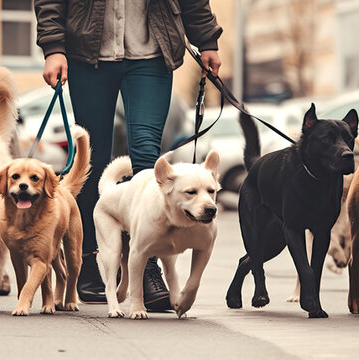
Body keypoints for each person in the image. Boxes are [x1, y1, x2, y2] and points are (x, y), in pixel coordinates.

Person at [35, 0, 222, 310]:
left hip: (151, 54)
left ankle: (146, 263)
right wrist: (54, 47)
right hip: (87, 53)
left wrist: (207, 41)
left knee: (149, 158)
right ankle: (89, 259)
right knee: (91, 160)